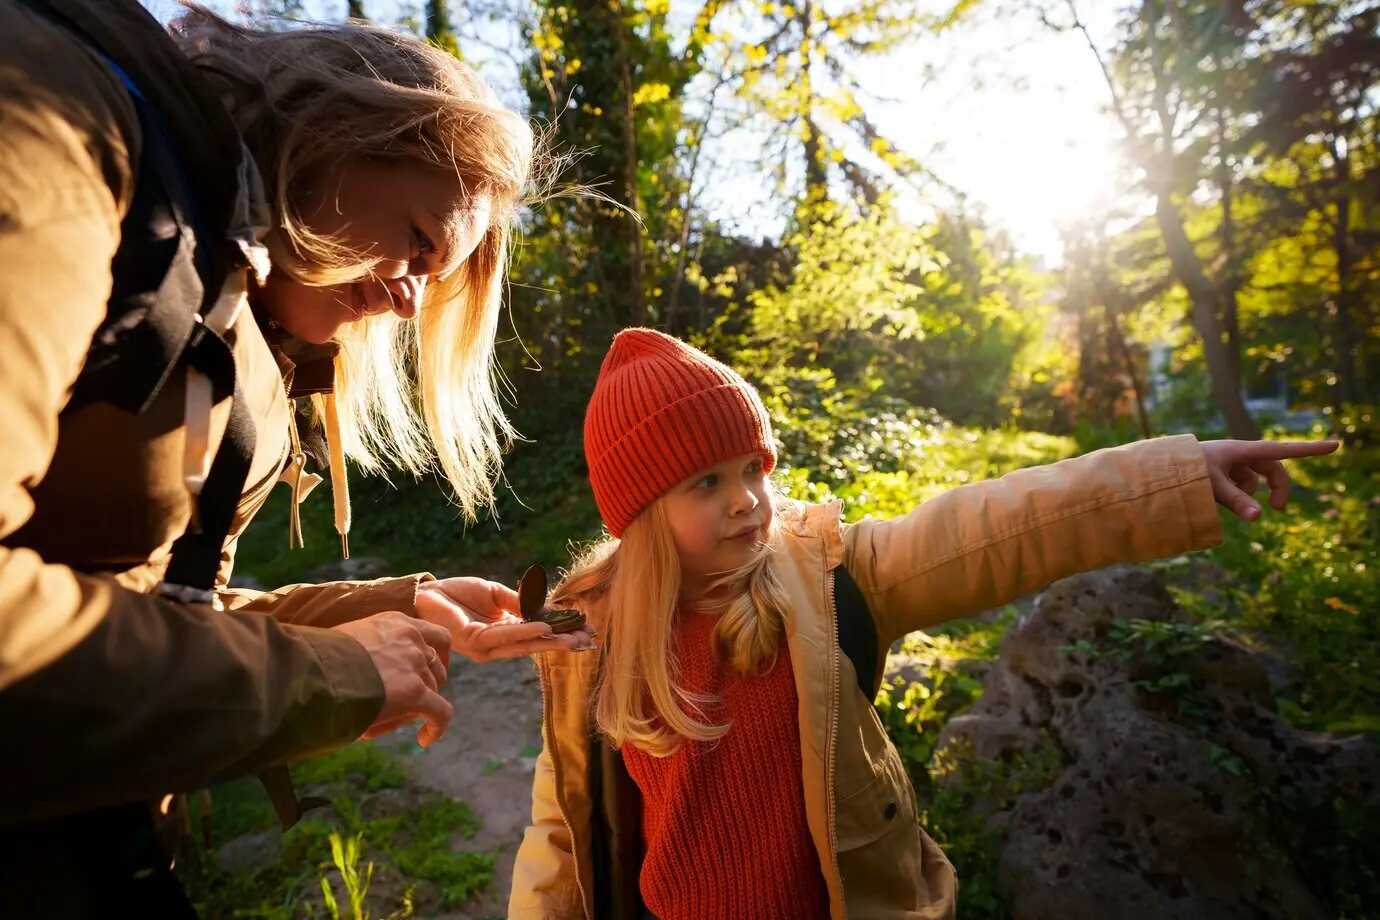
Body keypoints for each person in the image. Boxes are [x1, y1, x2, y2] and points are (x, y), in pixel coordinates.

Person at [0, 0, 591, 914]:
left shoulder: (233, 295)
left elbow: (154, 608)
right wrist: (334, 677)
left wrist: (396, 612)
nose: (409, 304)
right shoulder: (60, 128)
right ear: (340, 131)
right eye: (421, 243)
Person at [507, 327, 1338, 920]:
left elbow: (1001, 527)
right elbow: (561, 834)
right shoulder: (594, 644)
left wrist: (1177, 474)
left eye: (753, 467)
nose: (748, 500)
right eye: (706, 483)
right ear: (642, 515)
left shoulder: (829, 578)